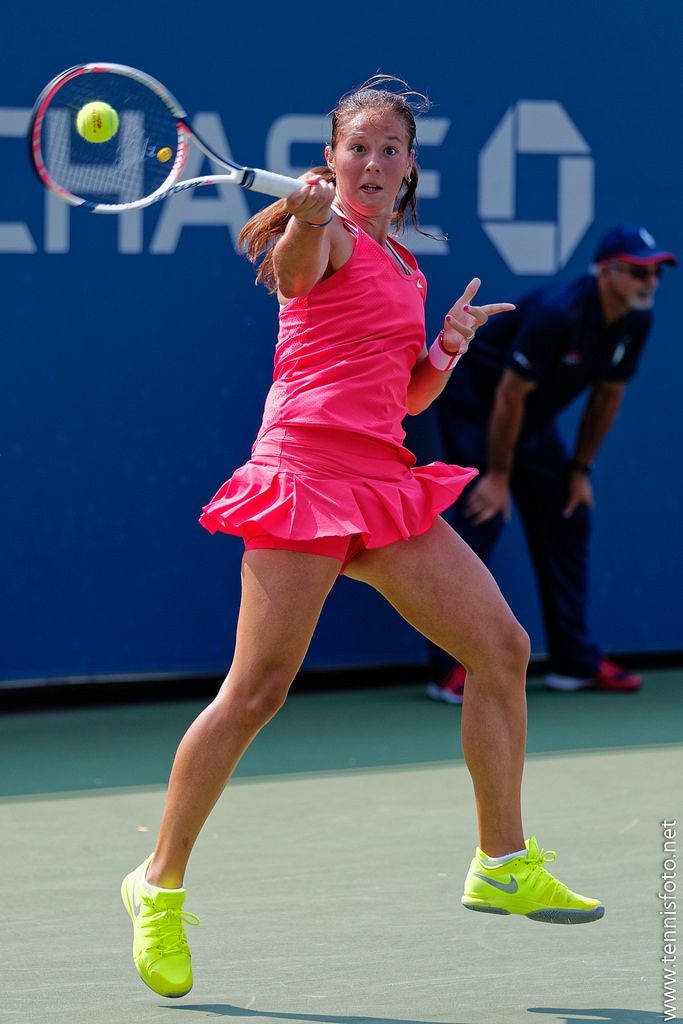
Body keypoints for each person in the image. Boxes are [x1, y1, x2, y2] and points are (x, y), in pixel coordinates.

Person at [121, 76, 604, 1000]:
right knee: (257, 691)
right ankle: (157, 883)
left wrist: (448, 344)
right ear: (330, 160)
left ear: (410, 166)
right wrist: (304, 221)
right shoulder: (328, 233)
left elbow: (407, 397)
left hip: (380, 483)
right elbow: (301, 275)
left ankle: (500, 860)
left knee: (500, 648)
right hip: (302, 478)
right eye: (358, 149)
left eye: (391, 150)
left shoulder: (407, 265)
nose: (374, 164)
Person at [426, 224, 677, 705]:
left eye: (656, 273)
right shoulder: (558, 313)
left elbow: (608, 395)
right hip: (478, 406)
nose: (650, 283)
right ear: (606, 273)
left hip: (529, 419)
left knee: (568, 511)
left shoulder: (635, 319)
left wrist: (580, 471)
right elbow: (508, 395)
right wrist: (498, 477)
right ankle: (449, 667)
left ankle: (573, 661)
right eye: (638, 272)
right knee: (482, 517)